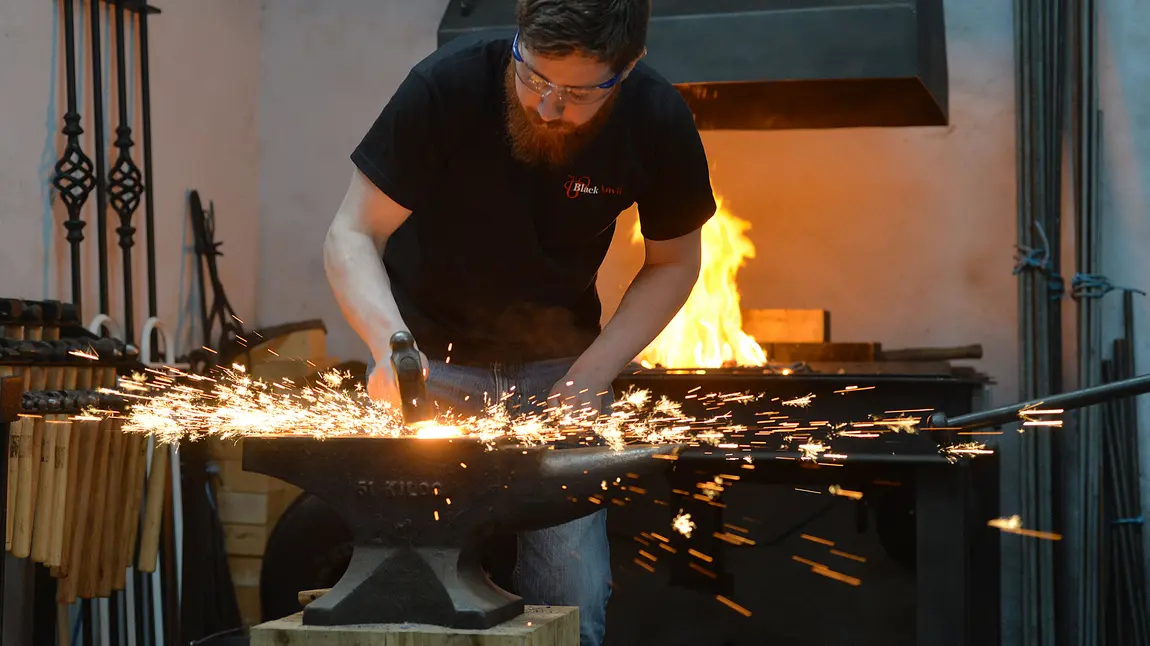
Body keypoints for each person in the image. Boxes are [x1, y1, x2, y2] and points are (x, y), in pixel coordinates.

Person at [323, 0, 716, 643]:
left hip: (563, 375)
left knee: (573, 595)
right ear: (518, 39)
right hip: (431, 370)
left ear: (629, 65)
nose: (548, 106)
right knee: (413, 594)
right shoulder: (446, 86)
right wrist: (391, 347)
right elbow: (352, 234)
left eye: (579, 92)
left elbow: (674, 262)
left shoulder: (655, 115)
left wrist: (595, 374)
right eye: (533, 76)